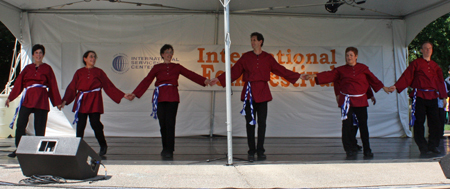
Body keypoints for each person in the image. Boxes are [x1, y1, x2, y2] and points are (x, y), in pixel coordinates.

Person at [210, 32, 308, 162]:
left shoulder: (268, 58)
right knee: (250, 124)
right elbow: (234, 71)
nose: (253, 42)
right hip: (249, 94)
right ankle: (251, 150)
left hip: (262, 93)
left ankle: (260, 150)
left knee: (262, 124)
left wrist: (298, 75)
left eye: (255, 40)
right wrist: (219, 79)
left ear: (261, 41)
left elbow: (280, 69)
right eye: (251, 40)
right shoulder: (246, 57)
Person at [127, 44, 210, 159]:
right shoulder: (157, 67)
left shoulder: (177, 67)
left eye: (171, 52)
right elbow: (146, 80)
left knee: (170, 123)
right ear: (162, 54)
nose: (169, 54)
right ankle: (165, 147)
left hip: (172, 97)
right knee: (163, 124)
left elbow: (190, 74)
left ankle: (170, 149)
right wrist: (135, 93)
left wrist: (204, 80)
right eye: (167, 52)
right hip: (160, 97)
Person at [305, 47, 390, 158]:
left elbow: (371, 80)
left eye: (351, 55)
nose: (348, 57)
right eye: (347, 55)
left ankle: (367, 150)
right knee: (347, 126)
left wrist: (383, 88)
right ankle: (349, 149)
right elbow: (329, 74)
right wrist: (315, 75)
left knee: (363, 126)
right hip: (347, 101)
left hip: (361, 101)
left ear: (356, 56)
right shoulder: (340, 70)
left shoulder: (363, 68)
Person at [61, 50, 126, 156]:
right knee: (80, 124)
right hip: (82, 100)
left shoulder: (99, 72)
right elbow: (72, 87)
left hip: (94, 100)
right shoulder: (79, 72)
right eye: (91, 57)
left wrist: (122, 95)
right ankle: (78, 146)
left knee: (95, 123)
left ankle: (103, 145)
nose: (93, 59)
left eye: (94, 57)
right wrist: (64, 101)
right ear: (85, 59)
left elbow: (108, 85)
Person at [5, 44, 62, 158]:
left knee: (40, 125)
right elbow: (19, 84)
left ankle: (39, 149)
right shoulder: (27, 68)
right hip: (28, 98)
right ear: (33, 54)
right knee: (21, 123)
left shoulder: (47, 68)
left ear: (43, 55)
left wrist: (57, 102)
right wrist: (10, 98)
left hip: (41, 98)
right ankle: (19, 148)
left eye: (40, 53)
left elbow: (53, 85)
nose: (38, 55)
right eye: (36, 53)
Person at [389, 41, 447, 155]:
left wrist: (443, 97)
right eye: (425, 48)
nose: (427, 50)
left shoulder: (436, 66)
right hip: (419, 96)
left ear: (432, 50)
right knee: (419, 121)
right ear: (421, 50)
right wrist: (396, 86)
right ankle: (422, 145)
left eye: (429, 48)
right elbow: (407, 76)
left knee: (435, 122)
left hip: (432, 96)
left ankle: (433, 145)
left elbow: (440, 81)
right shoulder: (416, 63)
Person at [335, 80, 376, 151]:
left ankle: (353, 143)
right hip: (347, 101)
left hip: (358, 101)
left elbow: (365, 83)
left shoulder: (361, 70)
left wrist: (371, 95)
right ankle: (350, 146)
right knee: (348, 124)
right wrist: (338, 95)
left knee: (356, 123)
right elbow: (337, 83)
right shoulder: (341, 70)